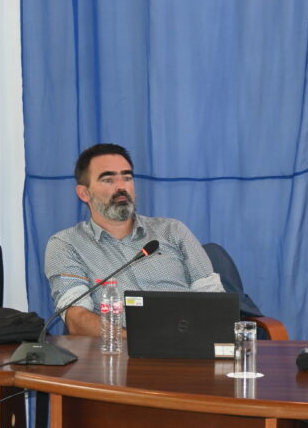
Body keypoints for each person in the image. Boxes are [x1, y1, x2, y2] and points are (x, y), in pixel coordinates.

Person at [44, 143, 223, 336]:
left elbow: (214, 301)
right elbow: (76, 319)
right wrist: (140, 340)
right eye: (108, 180)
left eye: (127, 178)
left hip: (187, 346)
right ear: (84, 193)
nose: (122, 187)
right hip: (116, 354)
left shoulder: (173, 231)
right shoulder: (67, 244)